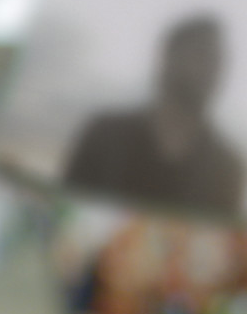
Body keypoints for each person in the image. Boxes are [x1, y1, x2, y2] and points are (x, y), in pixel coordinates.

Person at [63, 13, 245, 220]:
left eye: (219, 61)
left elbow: (219, 237)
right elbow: (62, 213)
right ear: (169, 57)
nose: (212, 70)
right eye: (202, 55)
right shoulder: (104, 135)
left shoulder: (226, 166)